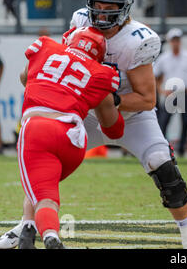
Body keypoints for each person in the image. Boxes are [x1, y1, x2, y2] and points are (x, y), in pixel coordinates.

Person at [0, 0, 187, 250]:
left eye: (111, 8)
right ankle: (27, 224)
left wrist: (107, 98)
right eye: (99, 6)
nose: (103, 13)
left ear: (125, 9)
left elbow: (146, 99)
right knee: (42, 160)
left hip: (131, 115)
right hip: (86, 113)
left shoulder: (137, 40)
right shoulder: (80, 21)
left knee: (162, 164)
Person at [17, 27, 125, 249]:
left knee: (44, 195)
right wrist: (112, 102)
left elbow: (24, 77)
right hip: (74, 140)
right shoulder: (101, 73)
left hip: (39, 129)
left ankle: (50, 236)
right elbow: (113, 129)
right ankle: (27, 230)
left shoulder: (46, 47)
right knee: (41, 186)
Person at [154, 28, 187, 157]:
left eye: (177, 40)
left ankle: (182, 150)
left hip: (184, 92)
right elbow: (155, 76)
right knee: (164, 121)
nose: (176, 43)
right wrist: (160, 90)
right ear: (170, 42)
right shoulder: (164, 58)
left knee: (185, 122)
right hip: (170, 93)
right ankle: (162, 147)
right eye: (173, 40)